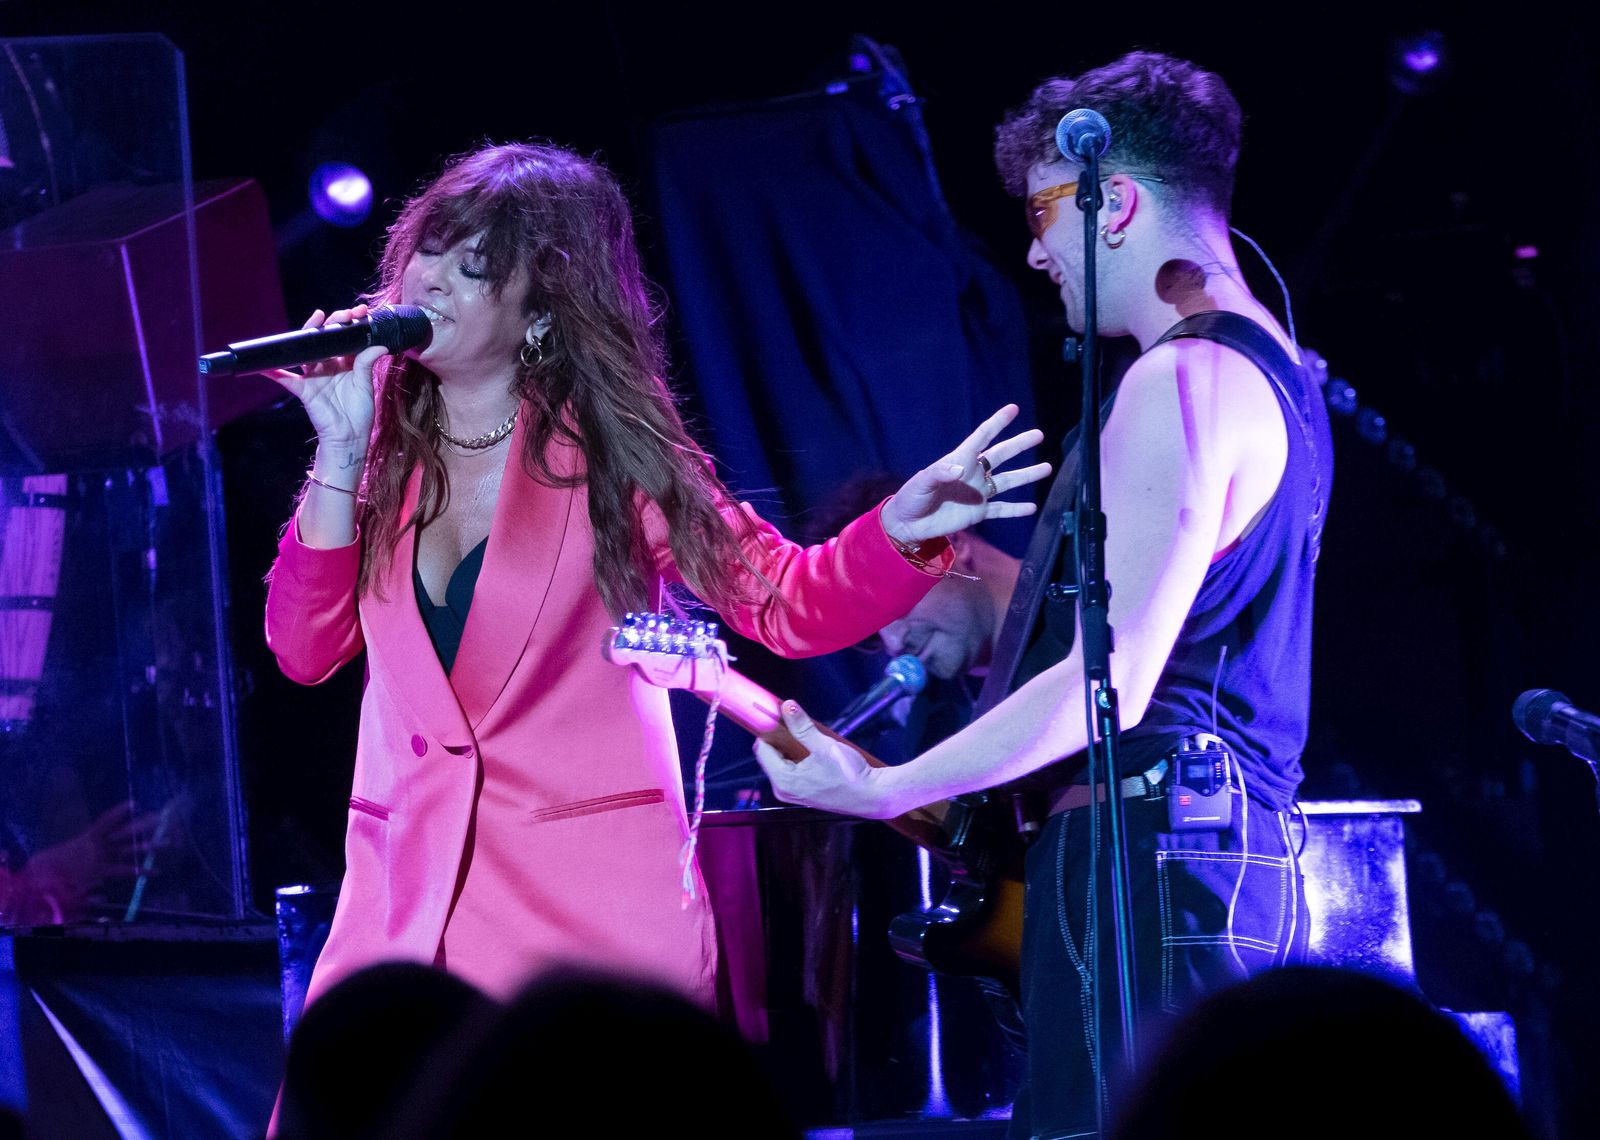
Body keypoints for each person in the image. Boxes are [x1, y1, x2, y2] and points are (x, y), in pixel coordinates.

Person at [261, 142, 1048, 1022]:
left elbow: (784, 603)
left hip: (583, 914)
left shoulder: (616, 460)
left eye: (474, 265)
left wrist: (898, 535)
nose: (431, 280)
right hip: (402, 911)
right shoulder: (374, 452)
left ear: (542, 315)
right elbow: (302, 649)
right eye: (427, 251)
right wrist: (336, 448)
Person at [756, 52, 1334, 1138]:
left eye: (1039, 212)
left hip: (1143, 858)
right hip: (1196, 850)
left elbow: (1106, 682)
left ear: (1111, 201)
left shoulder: (1183, 381)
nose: (1030, 251)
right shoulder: (1275, 375)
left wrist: (882, 791)